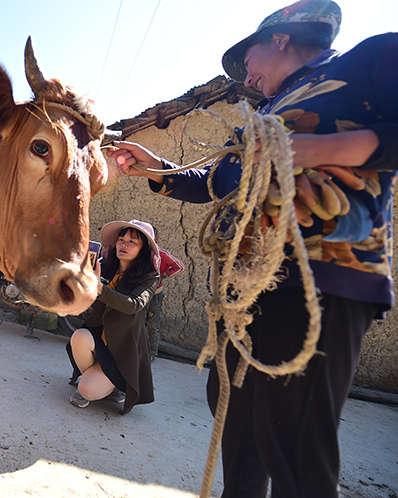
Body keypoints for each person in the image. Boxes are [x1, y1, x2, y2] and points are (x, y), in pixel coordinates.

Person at [106, 1, 397, 496]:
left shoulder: (371, 59)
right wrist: (155, 166)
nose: (246, 76)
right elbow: (217, 181)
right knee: (237, 421)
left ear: (279, 40)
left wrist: (315, 151)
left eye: (248, 62)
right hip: (244, 288)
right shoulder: (261, 115)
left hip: (318, 277)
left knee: (294, 438)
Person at [66, 219, 160, 414]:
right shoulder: (105, 267)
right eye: (121, 239)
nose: (123, 244)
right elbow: (91, 303)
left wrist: (100, 288)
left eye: (132, 241)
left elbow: (134, 304)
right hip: (99, 341)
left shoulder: (150, 277)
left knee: (86, 389)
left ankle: (114, 384)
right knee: (79, 337)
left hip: (123, 353)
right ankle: (97, 376)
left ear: (143, 250)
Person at [146, 228, 185, 360]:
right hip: (138, 292)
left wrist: (163, 276)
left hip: (155, 293)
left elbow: (180, 266)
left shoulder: (162, 254)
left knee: (153, 322)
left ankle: (151, 352)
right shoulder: (139, 252)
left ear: (156, 238)